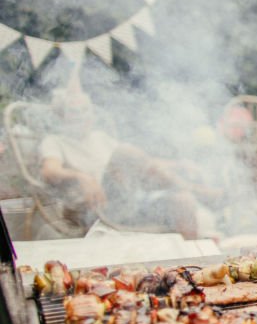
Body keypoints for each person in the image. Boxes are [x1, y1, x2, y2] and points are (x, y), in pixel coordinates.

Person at [38, 87, 211, 239]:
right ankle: (195, 189)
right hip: (96, 208)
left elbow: (143, 163)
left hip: (127, 202)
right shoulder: (54, 141)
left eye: (86, 110)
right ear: (61, 116)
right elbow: (49, 171)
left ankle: (196, 268)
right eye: (75, 111)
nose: (83, 116)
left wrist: (178, 164)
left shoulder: (100, 137)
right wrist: (81, 176)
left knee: (183, 201)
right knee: (125, 151)